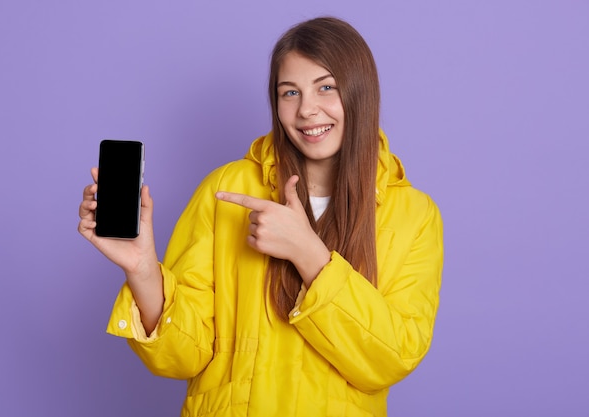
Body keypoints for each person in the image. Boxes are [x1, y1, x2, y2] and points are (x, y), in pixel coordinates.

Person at [78, 16, 443, 417]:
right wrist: (144, 271)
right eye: (290, 92)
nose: (307, 110)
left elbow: (392, 358)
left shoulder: (414, 215)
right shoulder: (228, 190)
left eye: (326, 87)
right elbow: (185, 356)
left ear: (360, 92)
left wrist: (308, 253)